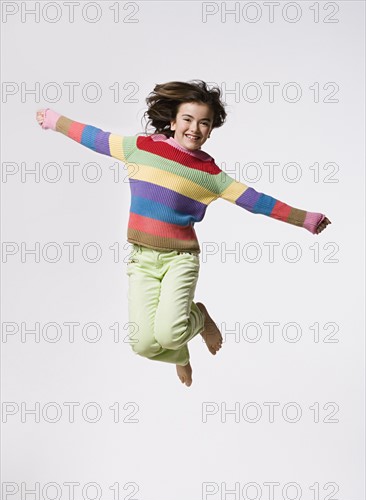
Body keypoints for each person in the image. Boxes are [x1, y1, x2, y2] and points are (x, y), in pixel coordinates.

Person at [36, 79, 331, 388]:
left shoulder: (210, 175)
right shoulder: (139, 149)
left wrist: (304, 219)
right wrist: (55, 121)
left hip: (180, 260)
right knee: (144, 345)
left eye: (204, 123)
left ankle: (200, 319)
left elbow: (256, 201)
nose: (195, 128)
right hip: (142, 260)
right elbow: (95, 137)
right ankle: (180, 356)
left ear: (210, 129)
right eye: (188, 119)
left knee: (169, 333)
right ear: (173, 120)